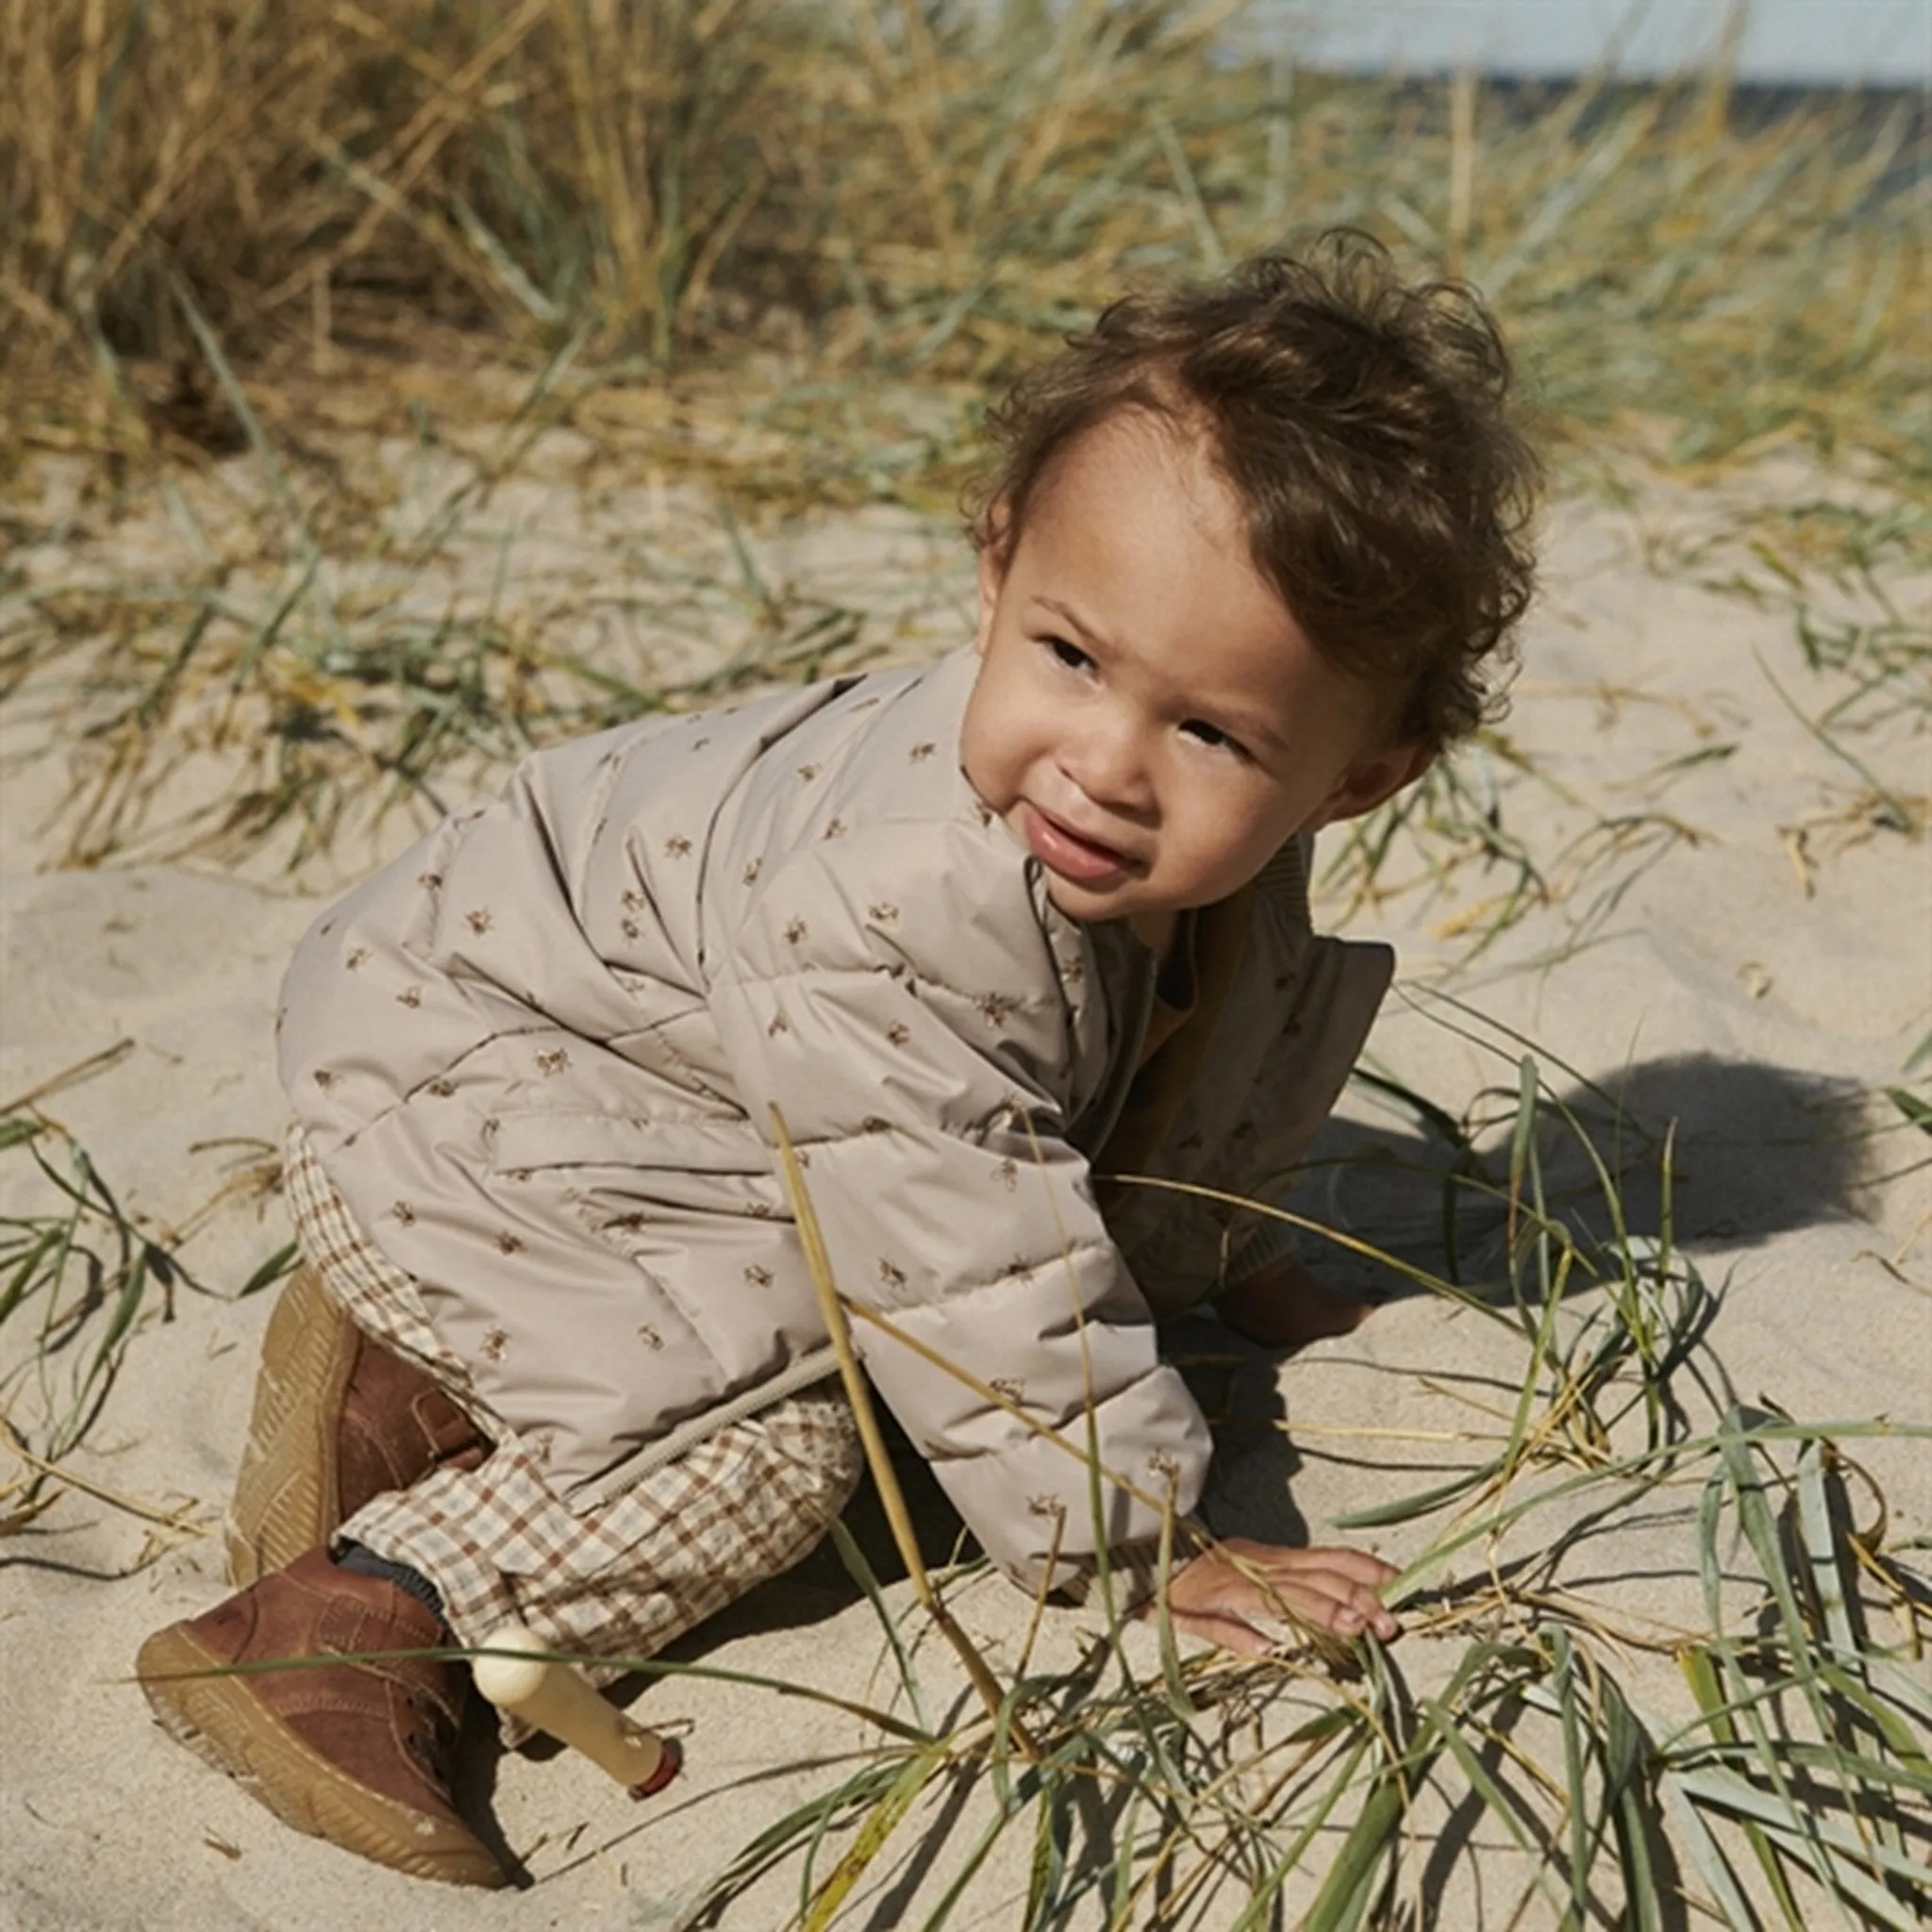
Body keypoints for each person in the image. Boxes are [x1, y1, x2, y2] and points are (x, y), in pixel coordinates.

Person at [137, 233, 1541, 1887]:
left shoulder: (1172, 853)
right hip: (473, 1079)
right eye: (1072, 659)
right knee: (788, 1436)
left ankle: (418, 1383)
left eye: (1212, 732)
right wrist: (1146, 1541)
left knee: (877, 1334)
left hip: (632, 1082)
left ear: (1351, 779)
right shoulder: (907, 895)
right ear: (996, 562)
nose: (1105, 764)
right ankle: (367, 1623)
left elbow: (1160, 1071)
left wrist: (1188, 1274)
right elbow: (955, 1238)